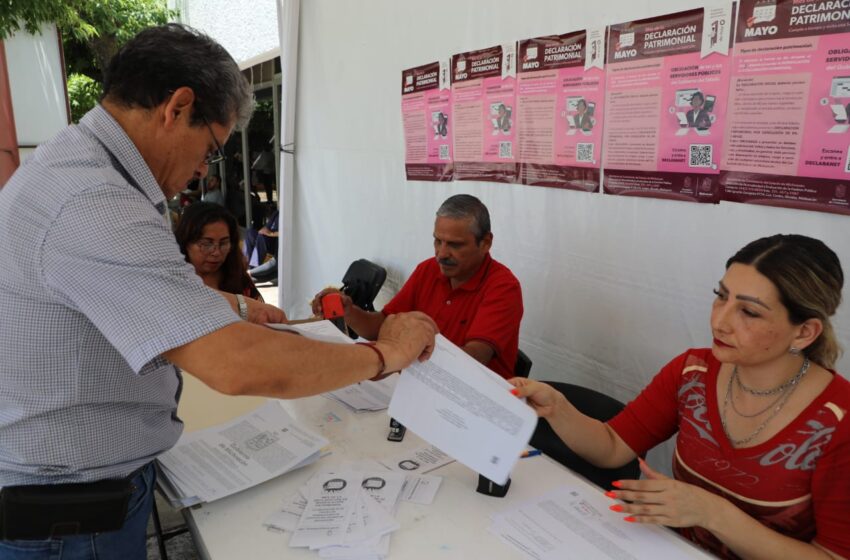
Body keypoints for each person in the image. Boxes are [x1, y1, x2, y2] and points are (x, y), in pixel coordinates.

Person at [0, 23, 437, 559]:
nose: (203, 168)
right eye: (211, 147)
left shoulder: (81, 165)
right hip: (71, 514)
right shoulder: (94, 200)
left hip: (73, 496)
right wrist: (385, 355)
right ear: (178, 107)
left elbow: (124, 288)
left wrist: (226, 303)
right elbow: (238, 367)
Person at [510, 234, 850, 559]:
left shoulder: (839, 420)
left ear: (805, 332)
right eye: (721, 296)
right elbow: (613, 446)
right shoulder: (693, 372)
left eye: (749, 312)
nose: (720, 321)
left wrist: (712, 513)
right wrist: (558, 408)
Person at [313, 194, 523, 379]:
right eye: (437, 241)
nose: (441, 253)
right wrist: (350, 312)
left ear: (485, 243)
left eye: (455, 245)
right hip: (422, 385)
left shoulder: (503, 287)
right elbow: (382, 326)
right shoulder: (428, 270)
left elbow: (473, 361)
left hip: (474, 400)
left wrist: (403, 350)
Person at [175, 201, 261, 300]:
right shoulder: (171, 281)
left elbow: (260, 311)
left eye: (224, 243)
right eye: (206, 244)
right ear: (185, 242)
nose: (216, 253)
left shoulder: (238, 278)